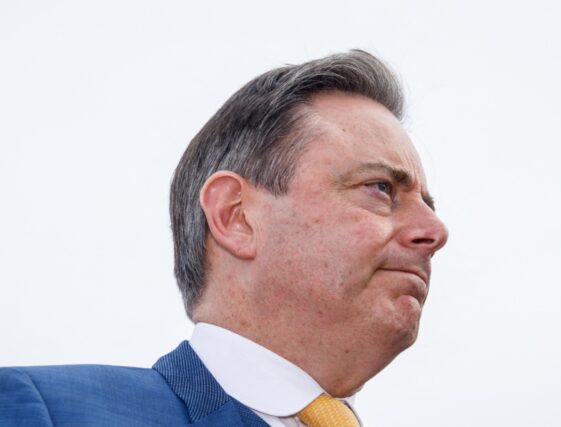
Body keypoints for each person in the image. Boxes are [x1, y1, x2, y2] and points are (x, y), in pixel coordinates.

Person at [0, 50, 448, 427]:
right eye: (381, 188)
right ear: (236, 216)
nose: (435, 232)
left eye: (429, 205)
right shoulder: (46, 411)